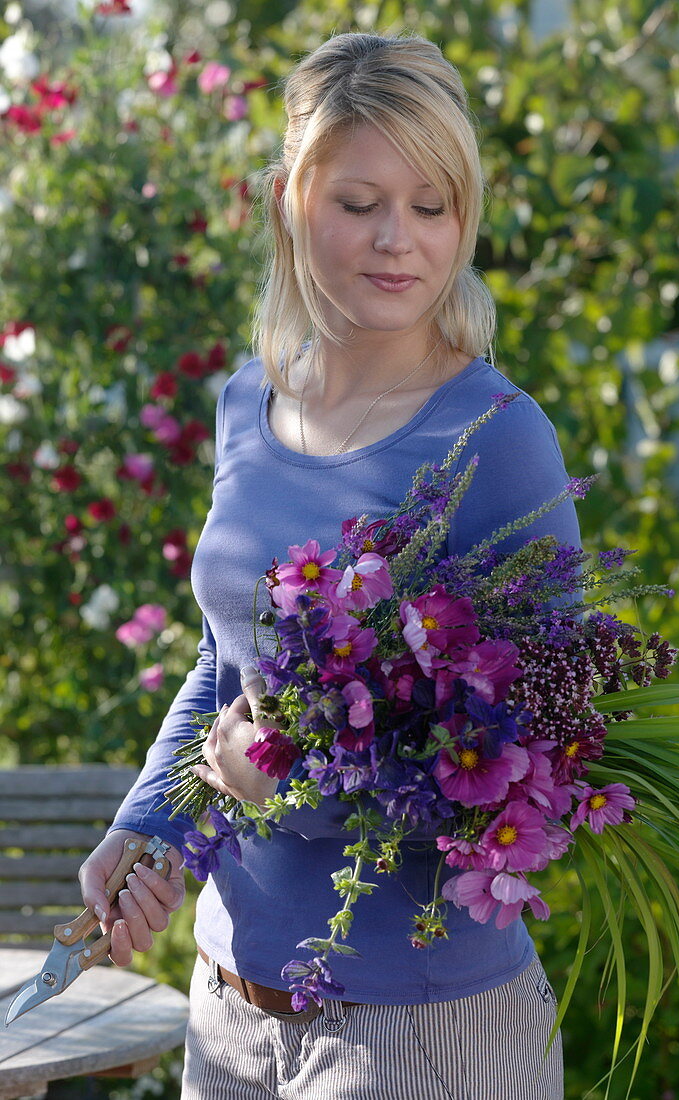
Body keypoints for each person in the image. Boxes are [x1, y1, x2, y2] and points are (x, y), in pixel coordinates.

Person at [79, 31, 581, 1099]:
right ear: (288, 205)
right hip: (228, 1005)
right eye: (359, 203)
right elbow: (228, 670)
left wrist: (289, 783)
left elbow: (543, 769)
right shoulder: (245, 405)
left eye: (432, 204)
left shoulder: (495, 438)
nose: (398, 240)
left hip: (418, 1030)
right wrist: (147, 821)